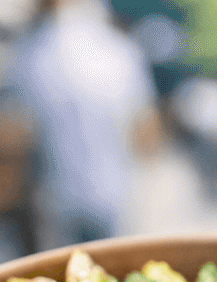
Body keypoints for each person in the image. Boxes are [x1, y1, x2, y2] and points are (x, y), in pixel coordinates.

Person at [12, 0, 158, 246]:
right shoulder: (120, 50)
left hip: (57, 205)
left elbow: (14, 141)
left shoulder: (28, 56)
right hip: (117, 200)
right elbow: (147, 139)